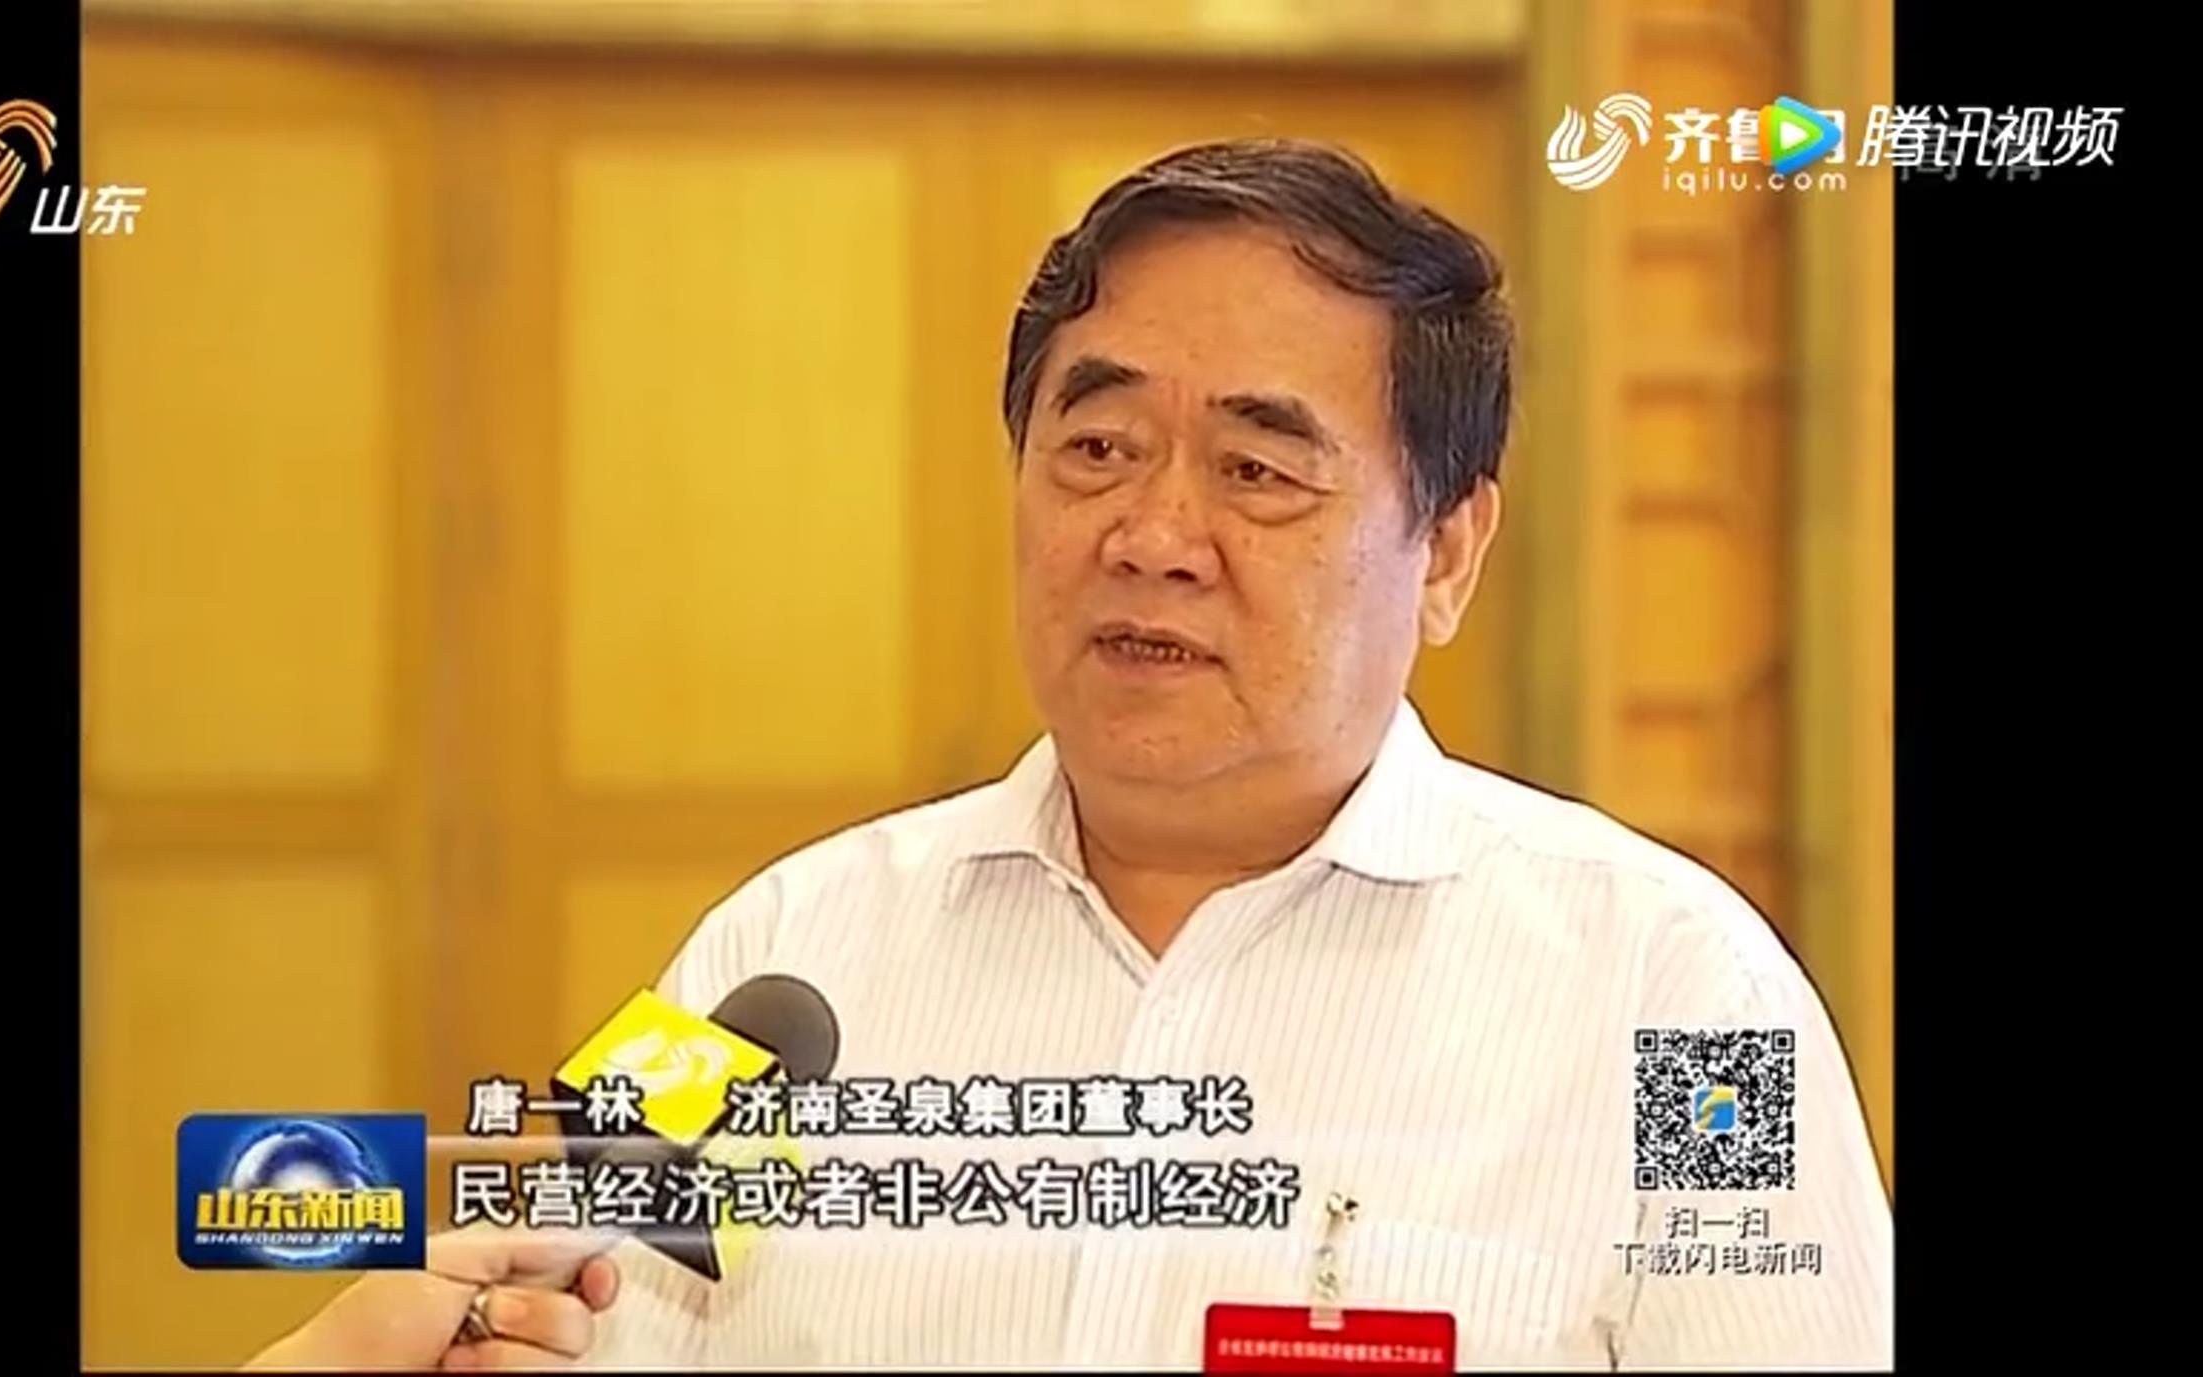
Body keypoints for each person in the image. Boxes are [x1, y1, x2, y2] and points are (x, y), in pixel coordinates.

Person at [251, 137, 1893, 1371]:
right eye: (1096, 447)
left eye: (1258, 472)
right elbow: (579, 1304)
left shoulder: (1688, 1007)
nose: (1152, 534)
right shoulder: (781, 955)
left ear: (1448, 550)